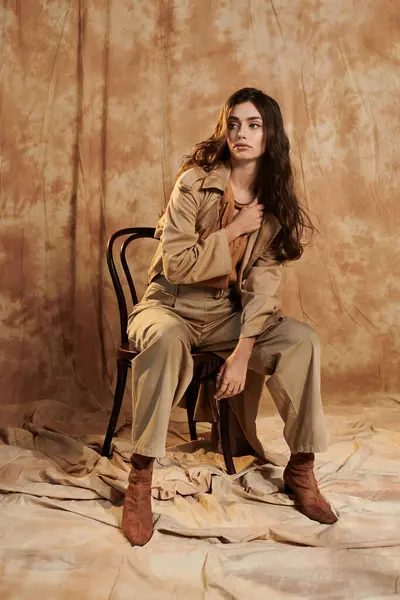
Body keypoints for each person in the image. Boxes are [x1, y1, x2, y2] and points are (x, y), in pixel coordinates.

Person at [122, 87, 338, 547]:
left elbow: (263, 290)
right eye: (235, 123)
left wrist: (242, 353)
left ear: (269, 134)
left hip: (227, 317)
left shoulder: (273, 201)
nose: (242, 133)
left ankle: (301, 468)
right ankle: (139, 478)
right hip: (169, 305)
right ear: (225, 128)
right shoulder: (193, 182)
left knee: (302, 340)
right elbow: (177, 263)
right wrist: (234, 230)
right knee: (163, 341)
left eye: (254, 124)